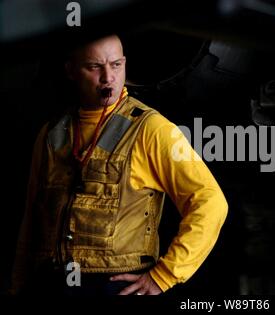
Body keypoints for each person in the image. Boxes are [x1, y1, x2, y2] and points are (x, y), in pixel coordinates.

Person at [10, 34, 228, 295]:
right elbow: (31, 216)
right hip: (51, 283)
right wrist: (19, 285)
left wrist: (164, 276)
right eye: (94, 67)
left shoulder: (151, 129)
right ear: (70, 71)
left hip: (114, 285)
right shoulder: (52, 133)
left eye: (116, 65)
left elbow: (210, 201)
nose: (108, 78)